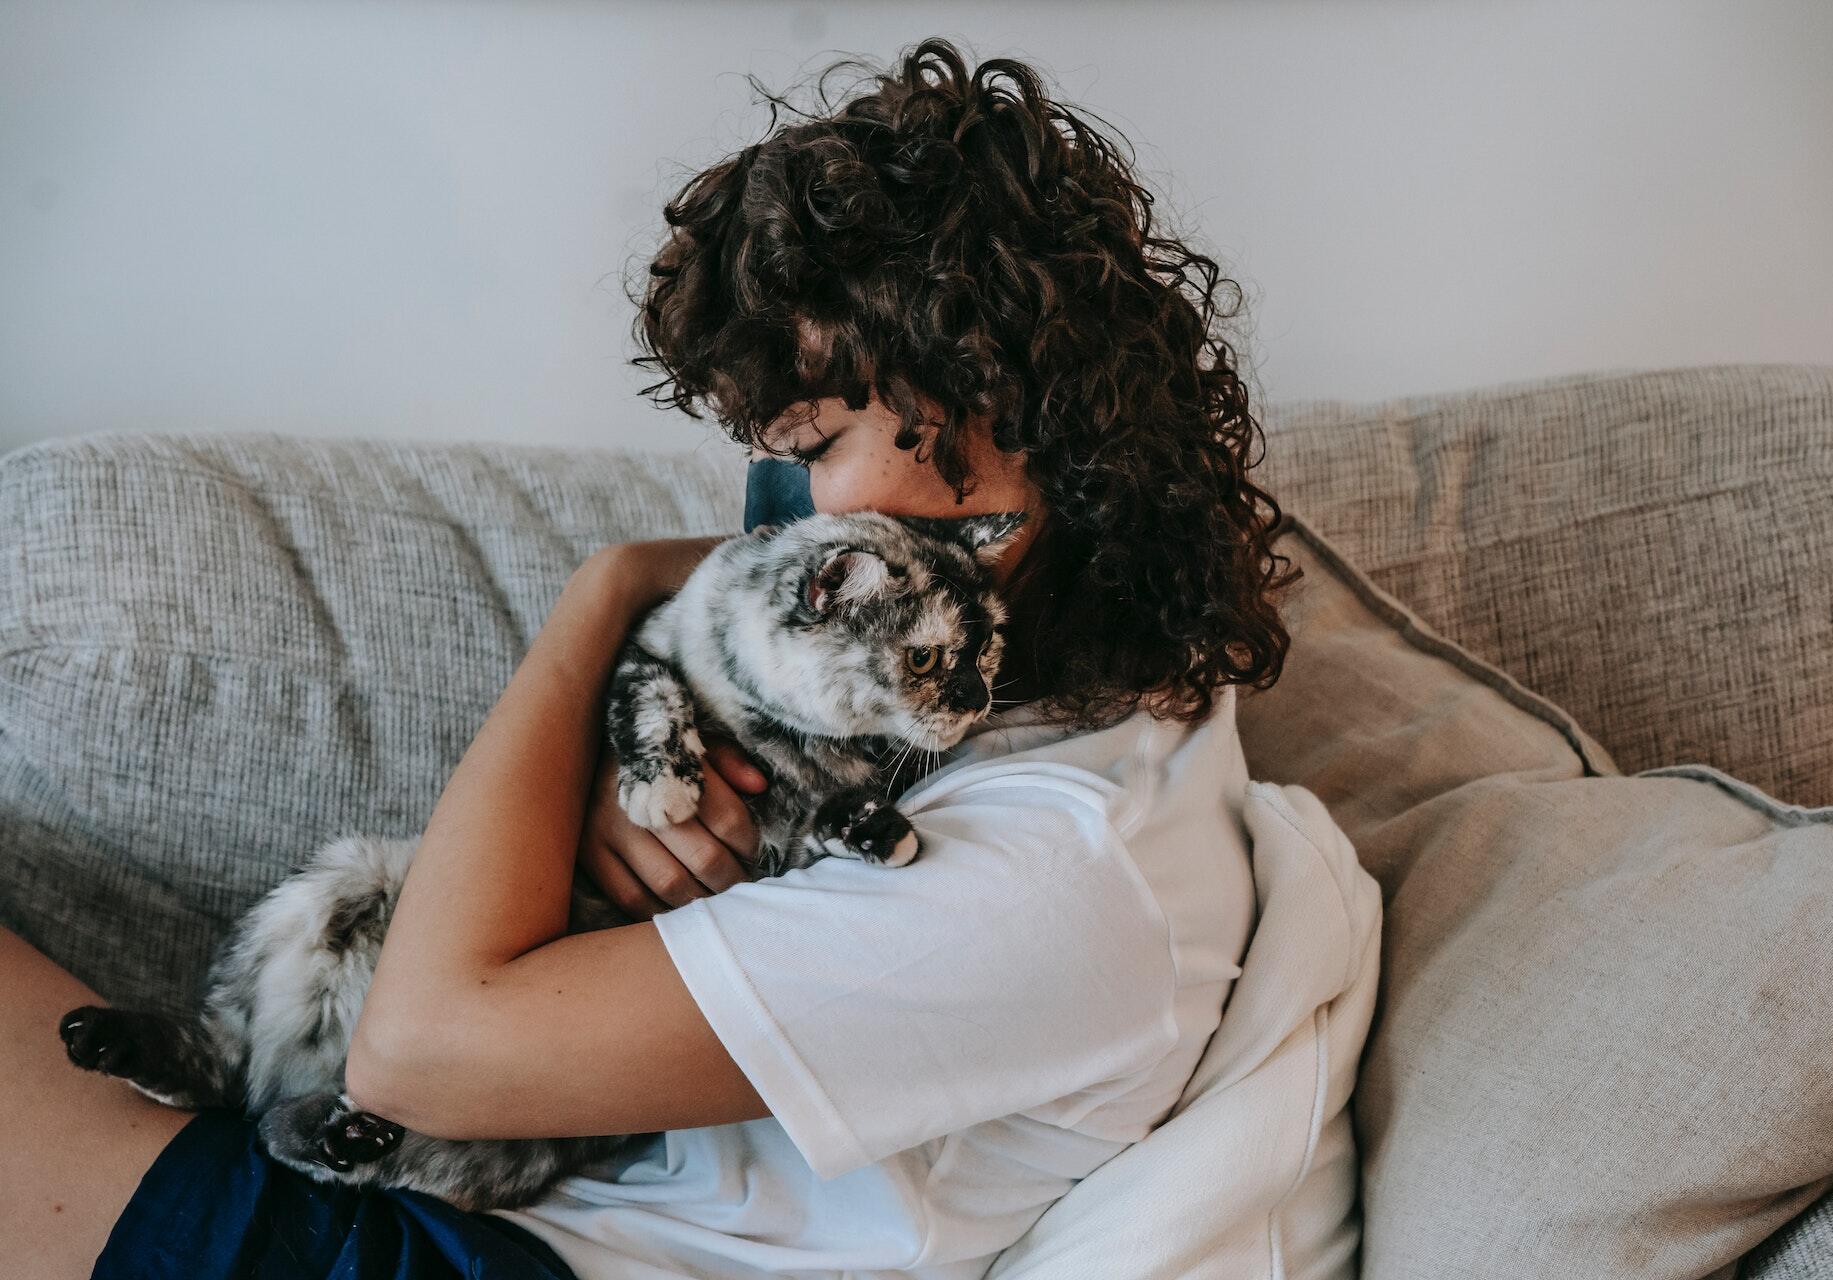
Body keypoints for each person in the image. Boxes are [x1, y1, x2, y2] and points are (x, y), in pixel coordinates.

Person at [0, 36, 1308, 1280]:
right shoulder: (1022, 694)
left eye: (811, 445)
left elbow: (418, 1052)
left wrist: (608, 590)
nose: (769, 493)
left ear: (1008, 416)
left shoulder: (1055, 879)